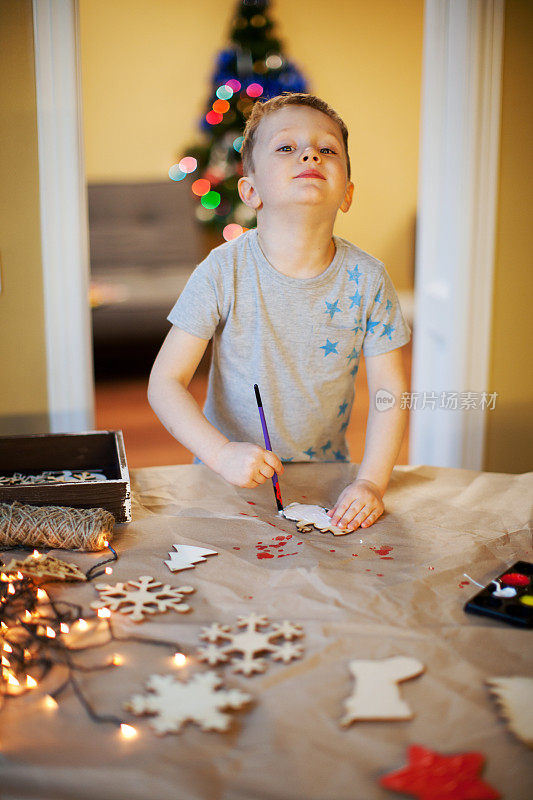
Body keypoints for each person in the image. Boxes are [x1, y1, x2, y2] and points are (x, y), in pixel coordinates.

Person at [148, 92, 410, 532]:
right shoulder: (221, 271)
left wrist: (370, 484)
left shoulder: (369, 278)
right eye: (287, 148)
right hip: (226, 476)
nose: (310, 153)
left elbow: (390, 394)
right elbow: (165, 383)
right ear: (251, 191)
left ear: (346, 194)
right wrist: (220, 453)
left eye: (327, 149)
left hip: (326, 480)